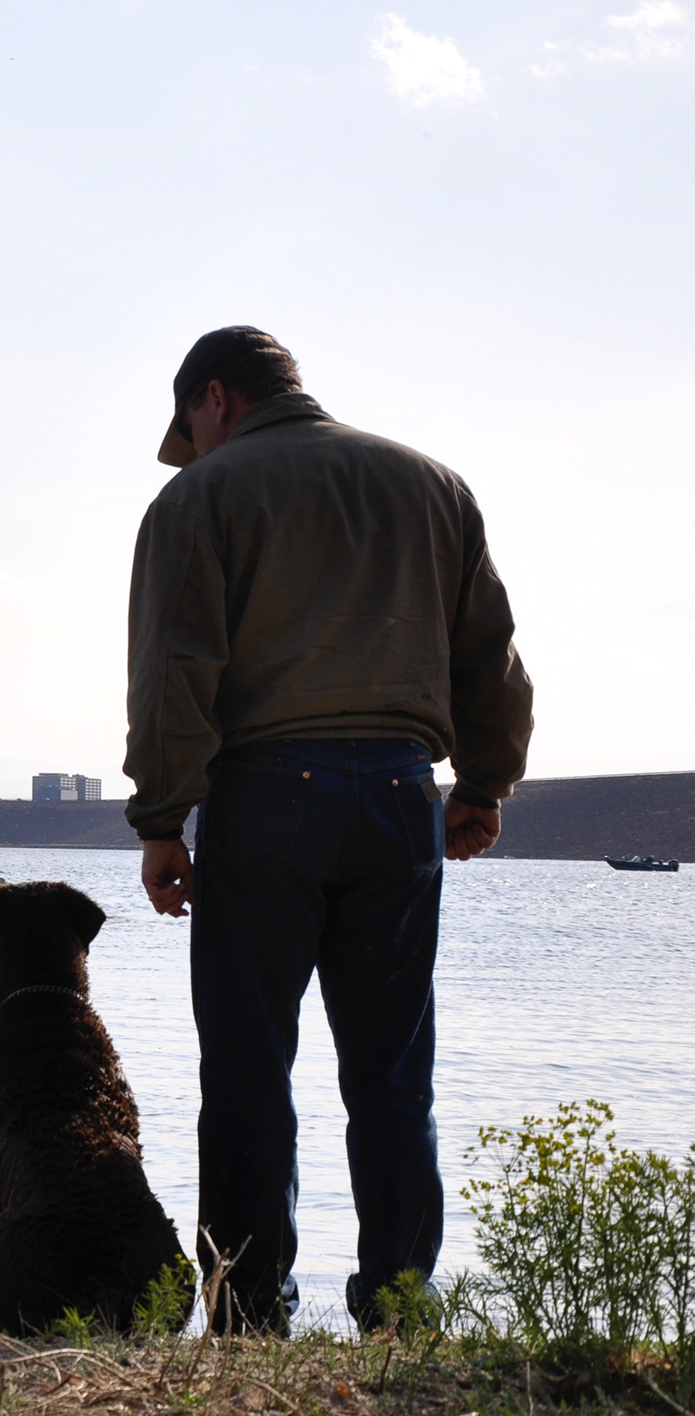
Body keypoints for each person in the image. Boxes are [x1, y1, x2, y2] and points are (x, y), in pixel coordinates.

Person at [123, 327, 534, 1332]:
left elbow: (177, 674)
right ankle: (399, 1307)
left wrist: (163, 819)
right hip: (403, 798)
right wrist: (484, 785)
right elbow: (493, 659)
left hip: (264, 799)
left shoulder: (201, 498)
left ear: (213, 398)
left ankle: (251, 1315)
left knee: (251, 1072)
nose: (193, 452)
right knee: (393, 1078)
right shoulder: (435, 486)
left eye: (190, 430)